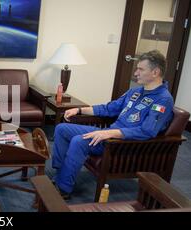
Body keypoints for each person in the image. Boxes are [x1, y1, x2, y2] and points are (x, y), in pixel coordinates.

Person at [52, 50, 174, 199]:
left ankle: (63, 189)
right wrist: (78, 109)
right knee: (62, 128)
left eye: (141, 69)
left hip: (122, 143)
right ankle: (60, 174)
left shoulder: (163, 99)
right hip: (109, 134)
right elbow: (109, 108)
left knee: (79, 141)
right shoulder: (135, 91)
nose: (136, 73)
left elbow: (147, 131)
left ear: (155, 72)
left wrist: (109, 133)